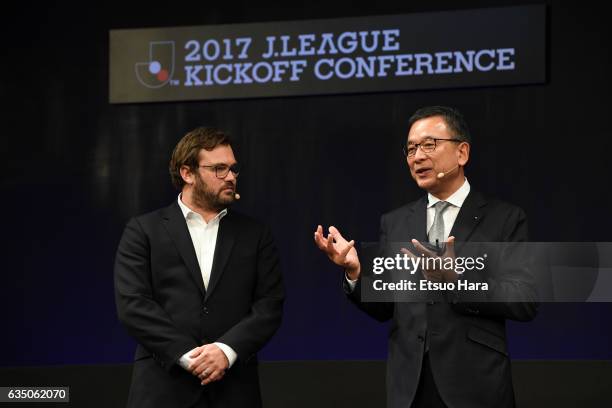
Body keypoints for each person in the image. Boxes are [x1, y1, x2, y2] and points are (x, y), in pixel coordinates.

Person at [314, 106, 537, 408]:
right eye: (410, 149)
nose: (417, 157)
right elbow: (384, 307)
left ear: (462, 153)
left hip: (476, 385)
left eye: (429, 145)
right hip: (410, 386)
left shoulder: (504, 218)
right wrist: (355, 273)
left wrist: (458, 280)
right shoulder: (395, 223)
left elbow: (524, 299)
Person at [114, 127, 284, 408]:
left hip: (234, 391)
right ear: (187, 173)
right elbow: (133, 304)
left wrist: (225, 351)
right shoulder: (144, 230)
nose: (230, 177)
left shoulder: (255, 234)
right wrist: (187, 356)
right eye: (219, 169)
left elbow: (270, 305)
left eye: (232, 169)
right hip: (162, 389)